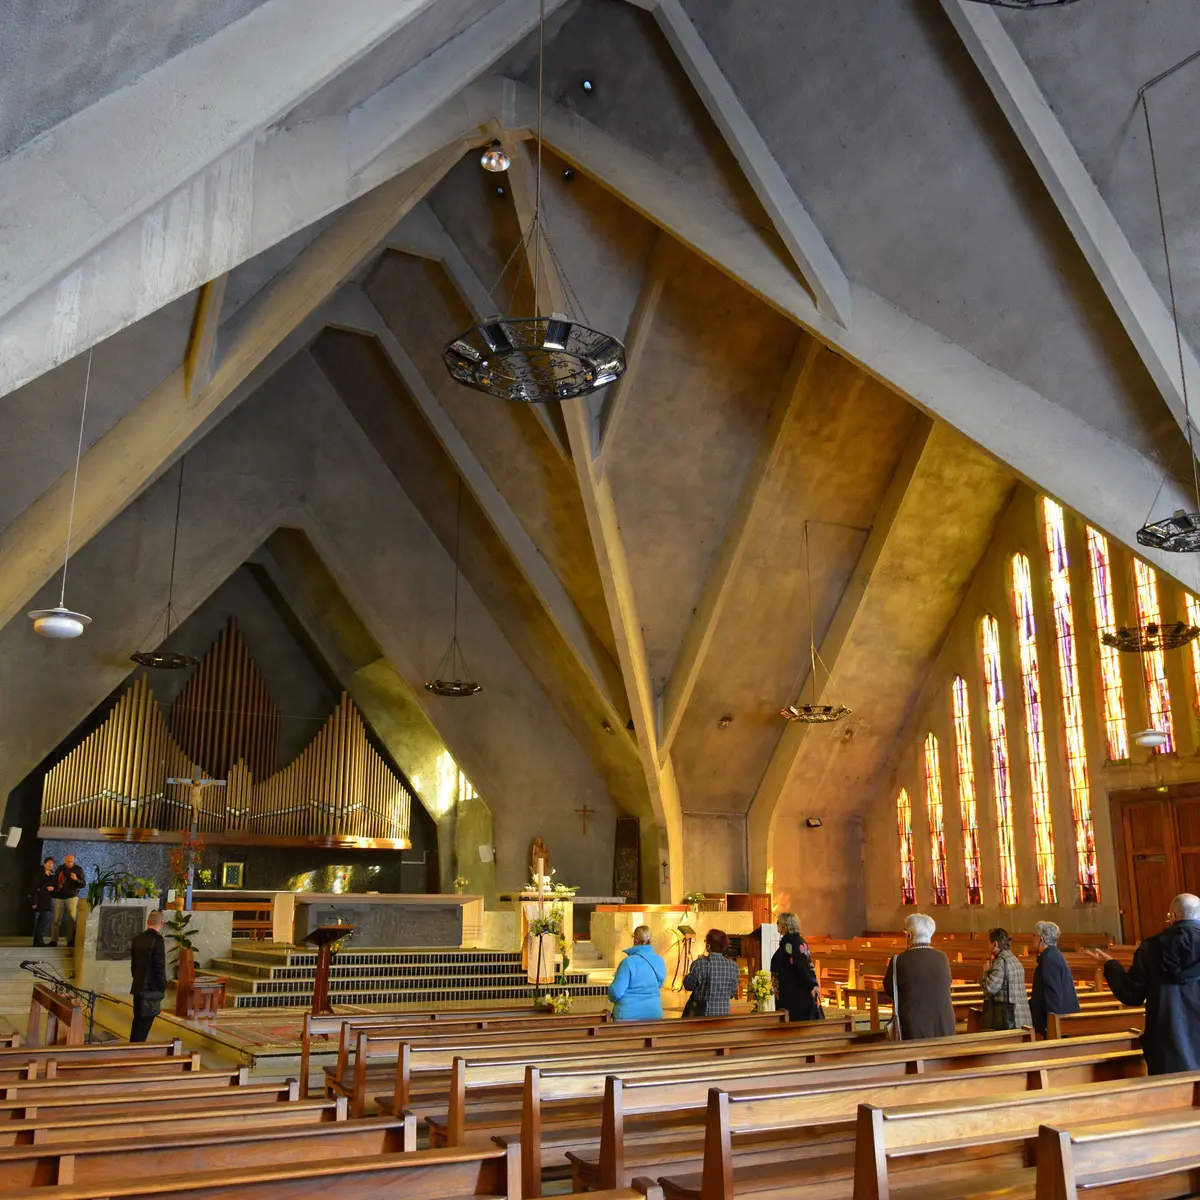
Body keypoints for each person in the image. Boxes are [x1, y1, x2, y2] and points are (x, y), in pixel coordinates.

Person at [1086, 893, 1200, 1075]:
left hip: (1167, 1048)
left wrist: (1110, 965)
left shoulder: (1151, 948)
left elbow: (1131, 994)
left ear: (1173, 917)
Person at [882, 912, 954, 1041]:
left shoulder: (898, 960)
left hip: (914, 1028)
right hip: (943, 1025)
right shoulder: (942, 957)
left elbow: (890, 990)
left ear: (909, 934)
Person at [1030, 921, 1079, 1037]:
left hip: (1056, 1020)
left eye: (1034, 936)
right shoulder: (1053, 954)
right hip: (1059, 1016)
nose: (1032, 939)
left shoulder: (1049, 958)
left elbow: (1053, 991)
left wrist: (1051, 1023)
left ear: (1041, 939)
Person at [608, 925, 666, 1020]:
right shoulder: (659, 960)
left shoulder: (628, 962)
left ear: (635, 940)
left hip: (627, 1016)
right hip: (654, 1015)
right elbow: (659, 984)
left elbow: (616, 992)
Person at [978, 927, 1032, 1030]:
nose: (987, 946)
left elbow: (990, 988)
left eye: (989, 943)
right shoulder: (1014, 959)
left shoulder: (1001, 962)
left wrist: (985, 973)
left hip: (1010, 1019)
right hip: (1023, 1017)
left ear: (995, 944)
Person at [771, 912, 821, 1022]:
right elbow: (809, 966)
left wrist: (811, 986)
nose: (777, 925)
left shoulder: (791, 944)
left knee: (792, 1025)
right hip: (791, 992)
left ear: (785, 926)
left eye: (778, 923)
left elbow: (802, 967)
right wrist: (813, 983)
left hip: (793, 995)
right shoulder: (797, 941)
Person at [129, 909, 167, 1043]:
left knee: (137, 1022)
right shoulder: (158, 940)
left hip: (137, 987)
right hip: (150, 990)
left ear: (147, 922)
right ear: (161, 923)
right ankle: (135, 1055)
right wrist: (162, 987)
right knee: (143, 1027)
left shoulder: (137, 938)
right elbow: (159, 966)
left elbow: (133, 966)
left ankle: (132, 1051)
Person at [683, 929, 740, 1016]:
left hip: (701, 1017)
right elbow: (732, 993)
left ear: (708, 946)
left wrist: (687, 976)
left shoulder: (699, 964)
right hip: (723, 1015)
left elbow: (688, 986)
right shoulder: (733, 966)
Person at [49, 853, 86, 947]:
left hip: (72, 896)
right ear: (64, 861)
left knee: (71, 919)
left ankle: (70, 941)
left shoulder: (78, 869)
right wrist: (53, 888)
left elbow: (82, 884)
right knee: (56, 920)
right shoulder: (60, 868)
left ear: (74, 861)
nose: (70, 863)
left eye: (71, 861)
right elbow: (55, 881)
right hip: (59, 896)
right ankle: (53, 941)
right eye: (68, 861)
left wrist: (76, 879)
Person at [30, 857, 55, 946]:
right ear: (44, 864)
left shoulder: (52, 874)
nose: (50, 865)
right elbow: (34, 888)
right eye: (48, 863)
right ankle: (38, 942)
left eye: (52, 863)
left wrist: (53, 888)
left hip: (47, 899)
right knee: (42, 920)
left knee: (43, 921)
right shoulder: (39, 874)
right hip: (40, 899)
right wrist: (34, 902)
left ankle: (38, 941)